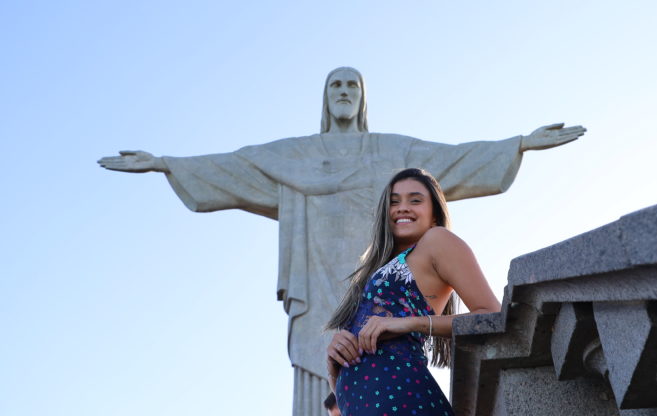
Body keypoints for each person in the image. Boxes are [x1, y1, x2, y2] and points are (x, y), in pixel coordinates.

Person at [98, 67, 584, 416]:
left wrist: (518, 145)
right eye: (336, 85)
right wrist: (166, 164)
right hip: (353, 377)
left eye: (353, 85)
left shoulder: (397, 162)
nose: (402, 207)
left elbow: (454, 159)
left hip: (400, 396)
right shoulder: (301, 158)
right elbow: (240, 166)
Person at [326, 167, 502, 416]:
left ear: (434, 215)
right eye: (394, 202)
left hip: (403, 398)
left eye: (415, 200)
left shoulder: (437, 240)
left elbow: (492, 315)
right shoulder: (374, 271)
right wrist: (335, 365)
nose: (402, 208)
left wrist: (406, 323)